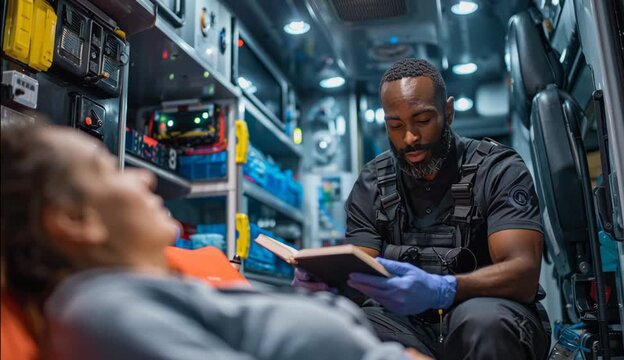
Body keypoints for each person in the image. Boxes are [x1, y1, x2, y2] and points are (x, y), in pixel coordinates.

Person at [0, 122, 429, 360]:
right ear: (76, 221)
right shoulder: (97, 311)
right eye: (110, 170)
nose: (144, 176)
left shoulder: (155, 287)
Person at [293, 58, 550, 359]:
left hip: (484, 312)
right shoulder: (373, 182)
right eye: (396, 126)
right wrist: (328, 282)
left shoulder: (498, 170)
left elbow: (523, 273)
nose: (410, 138)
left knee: (486, 323)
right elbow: (359, 272)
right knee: (341, 327)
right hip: (403, 324)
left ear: (448, 112)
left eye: (423, 120)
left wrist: (444, 289)